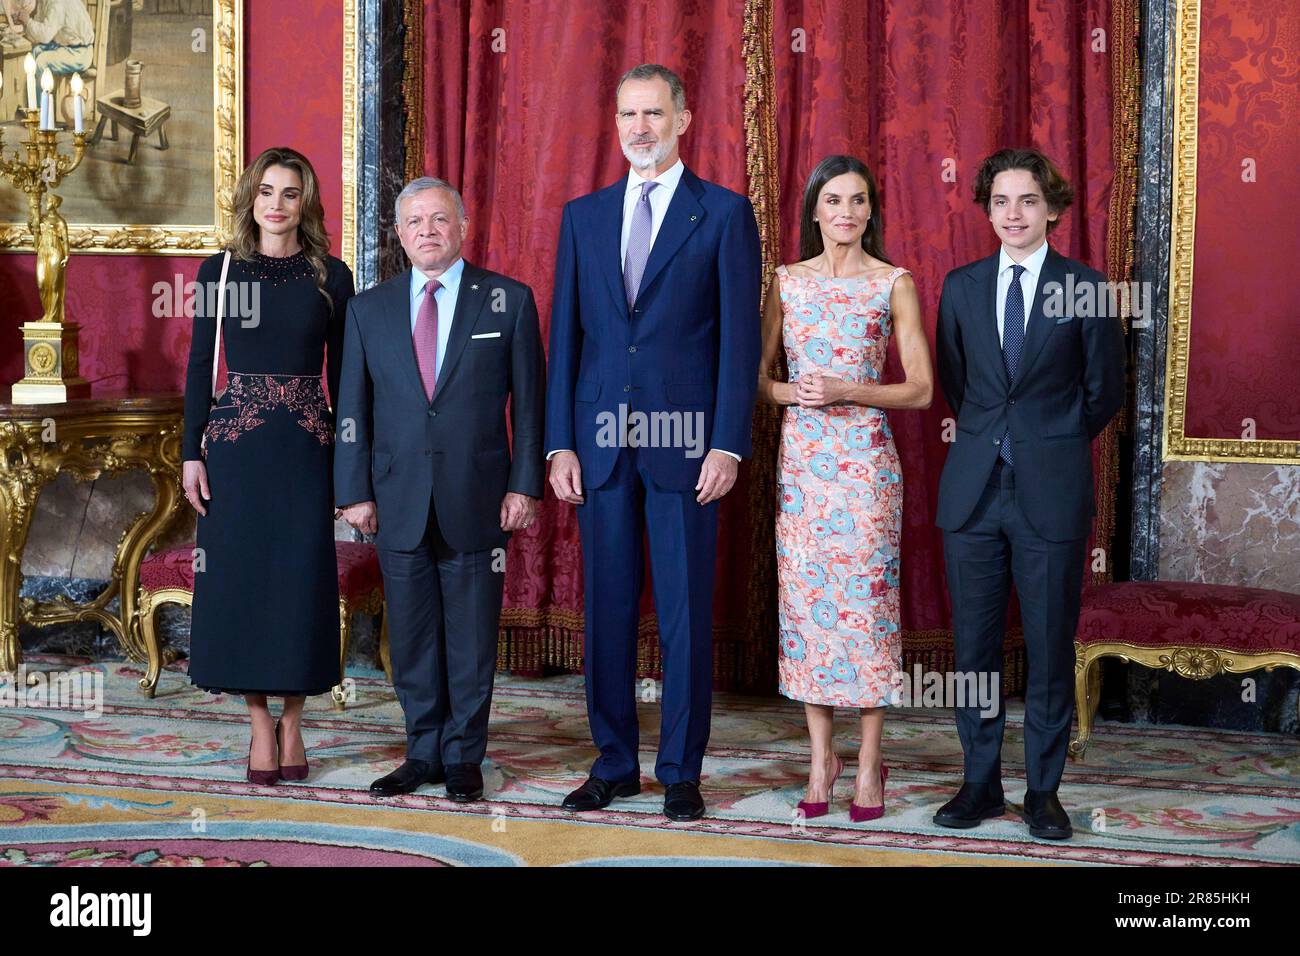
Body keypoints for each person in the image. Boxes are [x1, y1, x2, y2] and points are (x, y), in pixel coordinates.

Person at [545, 63, 761, 821]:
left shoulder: (725, 215)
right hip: (599, 442)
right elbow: (565, 338)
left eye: (654, 113)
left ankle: (680, 772)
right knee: (605, 608)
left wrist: (729, 444)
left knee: (683, 615)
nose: (640, 127)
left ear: (684, 119)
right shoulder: (584, 215)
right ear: (617, 124)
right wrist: (558, 444)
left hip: (687, 446)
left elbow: (740, 342)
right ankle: (612, 764)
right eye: (629, 114)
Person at [933, 147, 1125, 839]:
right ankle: (980, 783)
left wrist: (1046, 441)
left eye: (1028, 201)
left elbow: (1105, 392)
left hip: (1051, 493)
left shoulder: (1087, 288)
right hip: (973, 496)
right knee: (974, 650)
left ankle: (1043, 792)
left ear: (1053, 208)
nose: (1014, 214)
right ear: (987, 209)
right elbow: (960, 383)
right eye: (1002, 202)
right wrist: (996, 438)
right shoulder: (960, 286)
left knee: (1048, 648)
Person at [334, 176, 545, 804]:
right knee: (415, 634)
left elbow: (530, 409)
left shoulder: (508, 300)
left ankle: (463, 757)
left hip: (479, 497)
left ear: (464, 225)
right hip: (394, 500)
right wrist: (354, 492)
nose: (428, 231)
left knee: (473, 637)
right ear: (399, 236)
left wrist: (524, 485)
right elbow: (353, 408)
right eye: (415, 222)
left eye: (440, 219)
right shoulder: (367, 310)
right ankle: (421, 750)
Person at [758, 155, 932, 822]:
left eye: (859, 201)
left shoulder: (893, 283)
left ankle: (867, 762)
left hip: (865, 469)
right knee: (806, 611)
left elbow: (919, 389)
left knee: (866, 612)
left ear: (870, 212)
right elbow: (757, 379)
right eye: (834, 200)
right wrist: (791, 393)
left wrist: (844, 390)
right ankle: (819, 757)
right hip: (803, 470)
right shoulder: (787, 282)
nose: (847, 212)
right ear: (814, 210)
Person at [181, 146, 354, 785]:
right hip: (236, 451)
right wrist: (190, 453)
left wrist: (352, 464)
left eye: (290, 194)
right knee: (243, 584)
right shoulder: (218, 272)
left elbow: (347, 378)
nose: (276, 205)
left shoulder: (330, 276)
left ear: (304, 203)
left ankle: (295, 719)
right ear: (250, 199)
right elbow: (201, 367)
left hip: (308, 449)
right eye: (266, 192)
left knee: (300, 584)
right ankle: (259, 722)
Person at [10, 0, 94, 76]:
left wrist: (28, 21)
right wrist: (25, 23)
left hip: (80, 53)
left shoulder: (57, 3)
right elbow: (38, 31)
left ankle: (41, 93)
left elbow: (45, 36)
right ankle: (30, 91)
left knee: (41, 62)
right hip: (64, 47)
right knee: (35, 51)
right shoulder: (43, 2)